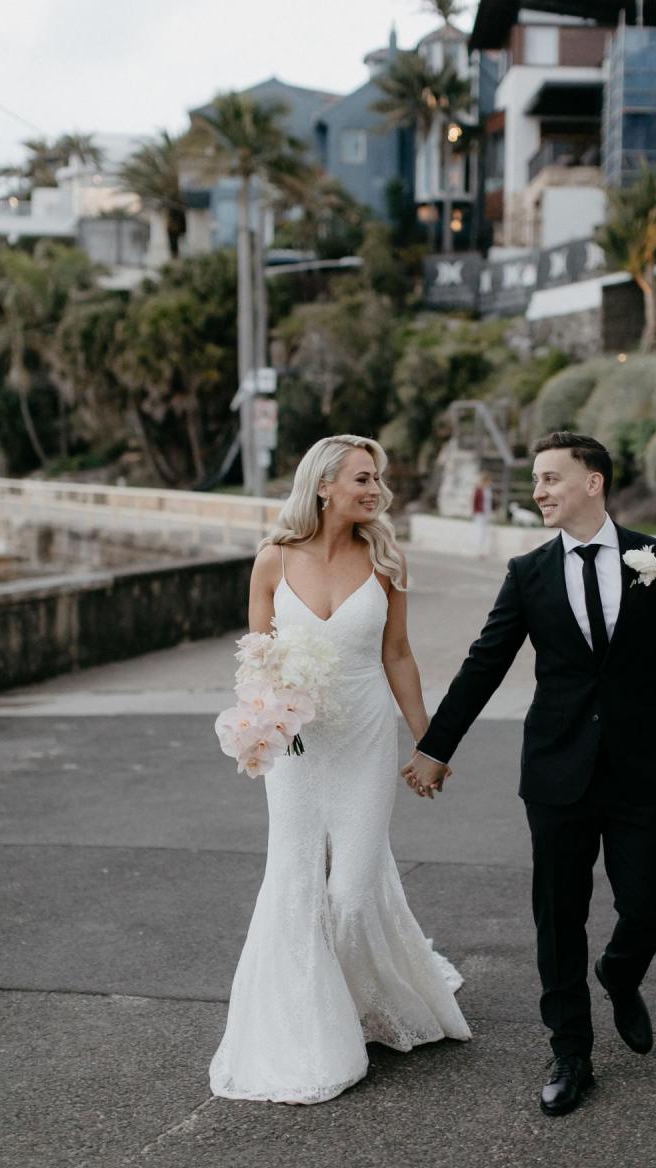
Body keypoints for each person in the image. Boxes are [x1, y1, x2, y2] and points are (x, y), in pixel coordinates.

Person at [401, 431, 656, 1117]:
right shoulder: (528, 573)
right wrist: (436, 745)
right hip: (556, 769)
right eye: (536, 480)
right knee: (558, 915)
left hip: (641, 765)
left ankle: (620, 971)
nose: (540, 491)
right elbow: (484, 662)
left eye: (552, 478)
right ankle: (570, 1049)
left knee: (654, 897)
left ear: (594, 482)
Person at [210, 434, 470, 1105]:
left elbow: (401, 655)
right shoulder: (272, 560)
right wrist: (260, 727)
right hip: (296, 748)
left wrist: (429, 743)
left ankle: (362, 995)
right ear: (323, 485)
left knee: (353, 888)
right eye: (363, 477)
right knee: (295, 879)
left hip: (364, 735)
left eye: (377, 478)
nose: (376, 488)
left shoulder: (385, 558)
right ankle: (310, 1026)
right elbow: (256, 661)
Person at [472, 471, 494, 557]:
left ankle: (482, 550)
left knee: (484, 532)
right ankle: (479, 550)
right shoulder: (478, 489)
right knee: (480, 531)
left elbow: (489, 502)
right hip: (480, 513)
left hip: (486, 513)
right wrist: (474, 512)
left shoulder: (488, 489)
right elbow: (474, 501)